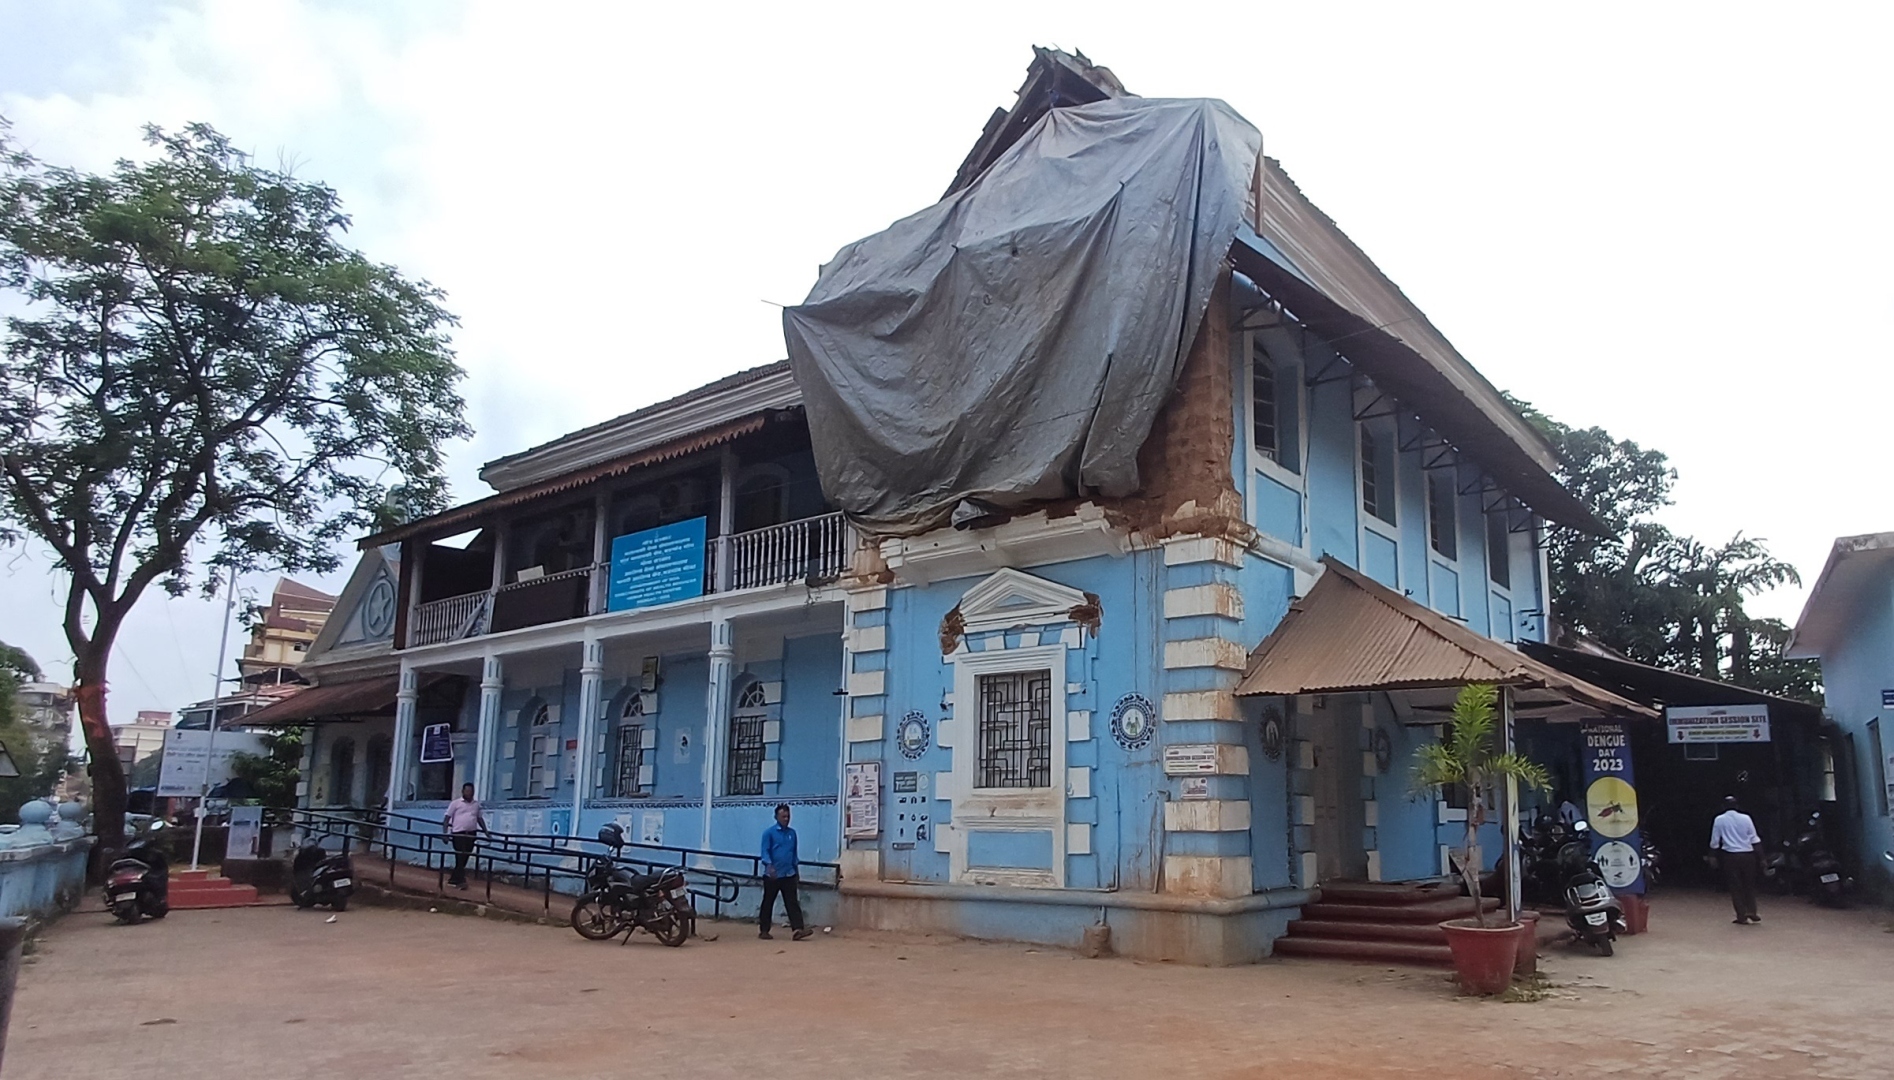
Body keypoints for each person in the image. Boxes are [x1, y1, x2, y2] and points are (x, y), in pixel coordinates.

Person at [759, 803, 811, 941]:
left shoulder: (792, 833)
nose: (786, 819)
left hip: (788, 873)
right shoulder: (769, 833)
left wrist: (796, 870)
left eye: (788, 816)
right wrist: (769, 865)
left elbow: (793, 853)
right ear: (776, 817)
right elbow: (765, 851)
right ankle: (764, 930)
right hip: (773, 875)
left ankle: (798, 929)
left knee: (792, 902)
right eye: (783, 816)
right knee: (768, 902)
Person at [1710, 795, 1762, 924]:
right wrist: (1762, 858)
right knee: (1749, 884)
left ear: (1723, 806)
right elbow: (1754, 839)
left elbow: (1715, 841)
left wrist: (1712, 856)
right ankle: (1752, 911)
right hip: (1748, 855)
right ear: (1737, 806)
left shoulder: (1719, 820)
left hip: (1730, 856)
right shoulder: (1746, 818)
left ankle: (1741, 915)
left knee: (1735, 886)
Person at [443, 782, 487, 890]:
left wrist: (486, 831)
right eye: (467, 791)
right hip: (458, 833)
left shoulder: (476, 805)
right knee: (460, 855)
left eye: (471, 792)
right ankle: (461, 881)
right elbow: (447, 818)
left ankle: (454, 879)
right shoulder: (456, 803)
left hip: (471, 833)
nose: (469, 793)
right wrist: (445, 833)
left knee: (465, 857)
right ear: (463, 791)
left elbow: (479, 819)